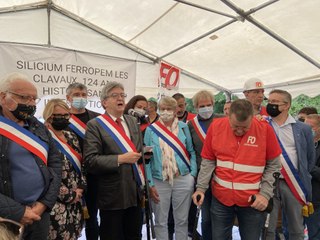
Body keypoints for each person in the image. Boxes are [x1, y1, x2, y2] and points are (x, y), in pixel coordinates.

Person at [193, 99, 282, 240]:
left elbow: (274, 165)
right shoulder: (216, 127)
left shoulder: (265, 130)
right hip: (221, 198)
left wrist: (265, 194)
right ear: (228, 116)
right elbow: (208, 161)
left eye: (245, 127)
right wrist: (201, 188)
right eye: (235, 126)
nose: (240, 130)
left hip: (253, 201)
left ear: (252, 117)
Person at [0, 72, 61, 240]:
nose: (31, 104)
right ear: (3, 97)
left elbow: (55, 163)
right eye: (25, 98)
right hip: (5, 218)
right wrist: (18, 211)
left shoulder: (38, 127)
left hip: (39, 214)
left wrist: (44, 204)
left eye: (34, 99)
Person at [83, 81, 144, 240]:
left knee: (134, 235)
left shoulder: (132, 121)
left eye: (122, 95)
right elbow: (90, 161)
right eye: (115, 95)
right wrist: (120, 159)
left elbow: (138, 151)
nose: (121, 98)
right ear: (104, 102)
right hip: (112, 195)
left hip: (135, 192)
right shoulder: (95, 125)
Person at [144, 96, 197, 240]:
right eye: (163, 109)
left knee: (182, 220)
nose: (166, 111)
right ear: (158, 110)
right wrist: (150, 182)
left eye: (169, 109)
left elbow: (191, 151)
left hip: (183, 178)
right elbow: (146, 159)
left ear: (175, 111)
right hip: (159, 179)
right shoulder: (151, 130)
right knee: (160, 221)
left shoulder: (184, 127)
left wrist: (192, 175)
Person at [265, 89, 315, 240]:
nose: (270, 104)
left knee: (296, 227)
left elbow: (309, 158)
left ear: (286, 105)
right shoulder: (262, 124)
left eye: (275, 102)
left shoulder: (303, 128)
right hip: (268, 182)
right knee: (268, 227)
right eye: (269, 101)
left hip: (293, 183)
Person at [43, 99, 86, 240]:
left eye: (66, 115)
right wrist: (68, 195)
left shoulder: (71, 136)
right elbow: (44, 173)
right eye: (59, 116)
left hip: (76, 202)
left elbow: (81, 163)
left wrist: (80, 188)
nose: (63, 119)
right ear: (49, 116)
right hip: (55, 203)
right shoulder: (42, 138)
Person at [66, 82, 100, 240]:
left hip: (93, 174)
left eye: (83, 95)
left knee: (92, 216)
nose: (80, 98)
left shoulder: (97, 118)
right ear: (68, 98)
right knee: (69, 217)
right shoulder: (61, 117)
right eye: (76, 95)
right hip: (71, 176)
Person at [187, 90, 223, 240]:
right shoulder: (190, 125)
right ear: (196, 107)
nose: (206, 108)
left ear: (213, 105)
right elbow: (190, 151)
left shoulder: (223, 120)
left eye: (209, 105)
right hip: (203, 178)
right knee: (207, 217)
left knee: (222, 217)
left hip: (223, 175)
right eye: (202, 106)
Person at [304, 114, 320, 240]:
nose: (307, 130)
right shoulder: (301, 145)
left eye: (311, 127)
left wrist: (307, 165)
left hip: (315, 199)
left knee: (314, 233)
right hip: (298, 197)